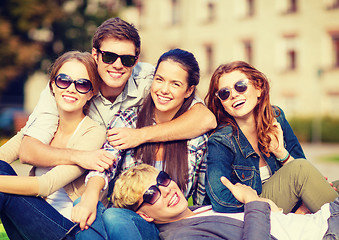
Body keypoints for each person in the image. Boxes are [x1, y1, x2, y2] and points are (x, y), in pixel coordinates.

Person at [0, 17, 216, 173]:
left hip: (111, 186)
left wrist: (140, 135)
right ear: (95, 54)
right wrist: (83, 158)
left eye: (127, 59)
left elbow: (205, 119)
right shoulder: (69, 83)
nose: (118, 65)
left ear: (137, 59)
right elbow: (27, 147)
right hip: (68, 177)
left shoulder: (152, 80)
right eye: (109, 56)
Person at [71, 48, 208, 239]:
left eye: (175, 84)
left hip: (170, 230)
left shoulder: (197, 137)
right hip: (126, 221)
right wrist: (90, 196)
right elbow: (105, 163)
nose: (164, 90)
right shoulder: (129, 120)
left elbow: (202, 198)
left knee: (112, 216)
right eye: (159, 79)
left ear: (189, 90)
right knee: (84, 205)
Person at [204, 61, 338, 214]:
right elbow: (220, 200)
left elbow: (301, 166)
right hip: (254, 212)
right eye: (224, 93)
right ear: (221, 103)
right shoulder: (221, 141)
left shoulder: (276, 117)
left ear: (258, 88)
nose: (234, 94)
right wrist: (264, 205)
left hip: (286, 201)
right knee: (301, 171)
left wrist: (281, 153)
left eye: (240, 86)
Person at [0, 51, 109, 239]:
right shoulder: (45, 126)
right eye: (64, 81)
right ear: (53, 85)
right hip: (32, 222)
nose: (71, 89)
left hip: (67, 231)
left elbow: (46, 185)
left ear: (91, 93)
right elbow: (4, 156)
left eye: (82, 84)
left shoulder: (93, 133)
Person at [112, 163, 339, 240]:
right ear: (145, 215)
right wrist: (252, 202)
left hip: (319, 220)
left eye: (163, 179)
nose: (166, 189)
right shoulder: (182, 236)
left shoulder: (198, 210)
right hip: (324, 231)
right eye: (152, 194)